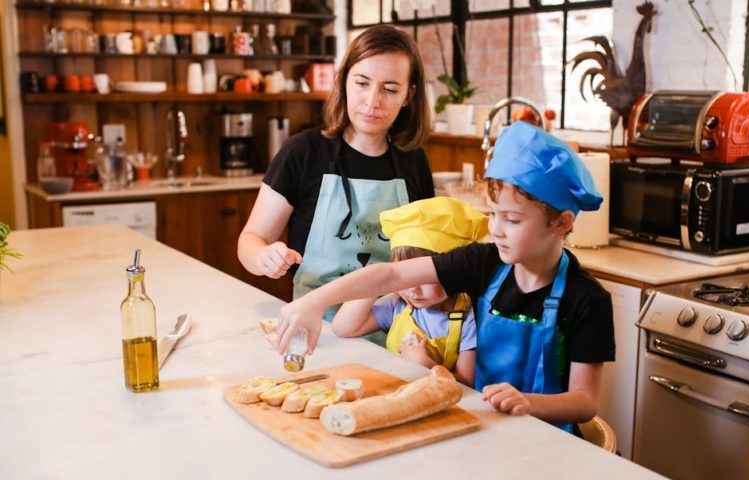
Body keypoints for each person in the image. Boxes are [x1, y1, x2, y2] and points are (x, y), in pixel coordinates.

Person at [276, 121, 615, 433]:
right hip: (480, 425)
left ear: (562, 223)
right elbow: (391, 274)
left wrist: (529, 403)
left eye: (512, 219)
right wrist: (313, 302)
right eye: (492, 214)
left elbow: (585, 402)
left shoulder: (587, 299)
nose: (496, 230)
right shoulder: (485, 263)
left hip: (548, 440)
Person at [237, 25, 434, 317]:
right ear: (343, 82)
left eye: (390, 89)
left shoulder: (414, 161)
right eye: (362, 83)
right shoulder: (302, 152)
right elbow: (250, 240)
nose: (372, 101)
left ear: (408, 95)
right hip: (316, 325)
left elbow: (424, 257)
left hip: (394, 329)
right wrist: (263, 256)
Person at [331, 197, 488, 387]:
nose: (413, 288)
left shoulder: (468, 317)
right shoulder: (398, 305)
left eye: (423, 278)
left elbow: (466, 384)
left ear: (453, 273)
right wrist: (380, 283)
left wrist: (425, 364)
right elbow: (343, 328)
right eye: (405, 277)